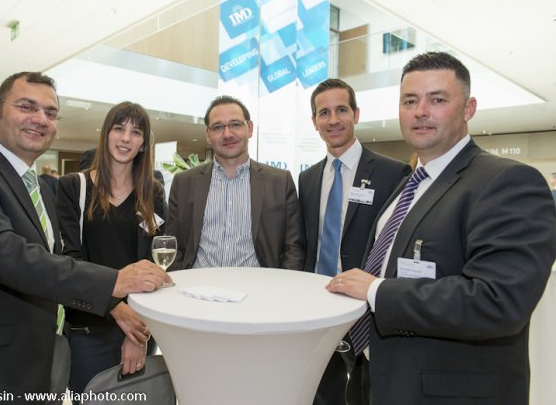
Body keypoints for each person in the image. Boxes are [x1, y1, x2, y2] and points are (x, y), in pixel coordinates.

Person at [0, 72, 170, 398]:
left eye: (50, 113)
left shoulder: (39, 189)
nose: (40, 119)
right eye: (26, 106)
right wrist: (115, 282)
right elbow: (2, 253)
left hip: (35, 356)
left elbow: (53, 257)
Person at [327, 52, 556, 404]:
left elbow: (498, 301)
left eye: (437, 100)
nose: (420, 111)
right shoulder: (410, 184)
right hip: (378, 379)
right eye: (410, 101)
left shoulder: (507, 182)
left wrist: (376, 290)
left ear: (468, 109)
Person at [299, 78, 410, 405]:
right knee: (321, 391)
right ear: (314, 121)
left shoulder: (392, 173)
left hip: (365, 307)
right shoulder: (307, 178)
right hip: (316, 303)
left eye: (342, 110)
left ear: (356, 114)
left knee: (364, 393)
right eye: (324, 113)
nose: (333, 120)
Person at [56, 101, 166, 396]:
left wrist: (138, 335)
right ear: (106, 134)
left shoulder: (152, 192)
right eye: (119, 129)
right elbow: (70, 259)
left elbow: (154, 264)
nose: (126, 138)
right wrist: (115, 307)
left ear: (144, 143)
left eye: (136, 132)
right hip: (88, 327)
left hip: (139, 326)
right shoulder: (74, 187)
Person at [166, 95, 304, 271]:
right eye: (218, 127)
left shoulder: (280, 182)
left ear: (250, 128)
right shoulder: (184, 182)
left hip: (259, 284)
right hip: (198, 283)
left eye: (236, 124)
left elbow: (293, 247)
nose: (227, 134)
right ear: (208, 135)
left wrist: (281, 284)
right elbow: (173, 244)